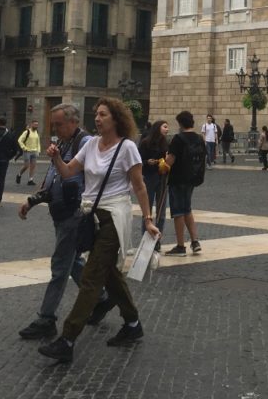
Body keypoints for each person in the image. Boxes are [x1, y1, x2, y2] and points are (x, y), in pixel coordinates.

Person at [37, 98, 160, 363]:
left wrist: (148, 219)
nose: (98, 118)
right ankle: (132, 323)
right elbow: (69, 172)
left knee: (92, 276)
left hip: (113, 217)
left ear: (116, 119)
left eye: (103, 114)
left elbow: (139, 186)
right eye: (96, 114)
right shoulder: (91, 144)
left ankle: (68, 338)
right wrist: (57, 158)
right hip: (90, 216)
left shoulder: (127, 148)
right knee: (109, 274)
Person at [18, 103, 100, 340]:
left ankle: (47, 318)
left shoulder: (84, 143)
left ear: (74, 121)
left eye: (59, 124)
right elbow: (53, 178)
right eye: (53, 124)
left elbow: (75, 175)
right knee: (73, 262)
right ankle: (101, 297)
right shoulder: (64, 142)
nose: (55, 129)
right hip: (60, 210)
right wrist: (34, 200)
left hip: (74, 213)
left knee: (60, 266)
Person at [164, 110, 206, 256]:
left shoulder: (178, 139)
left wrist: (162, 161)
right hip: (192, 179)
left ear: (180, 123)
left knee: (178, 212)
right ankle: (195, 242)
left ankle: (180, 246)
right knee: (187, 209)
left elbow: (170, 161)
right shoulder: (199, 138)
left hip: (177, 179)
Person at [137, 119, 169, 239]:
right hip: (149, 177)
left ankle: (157, 239)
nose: (167, 129)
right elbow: (138, 160)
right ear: (158, 128)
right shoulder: (145, 143)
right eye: (165, 127)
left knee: (161, 210)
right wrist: (147, 162)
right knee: (147, 210)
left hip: (162, 177)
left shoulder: (166, 143)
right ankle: (146, 237)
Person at [16, 120, 41, 186]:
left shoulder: (36, 132)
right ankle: (19, 174)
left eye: (37, 125)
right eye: (35, 124)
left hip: (34, 151)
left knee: (33, 166)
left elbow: (38, 142)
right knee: (26, 166)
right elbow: (20, 140)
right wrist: (24, 148)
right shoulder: (27, 132)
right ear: (31, 124)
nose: (36, 126)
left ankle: (30, 180)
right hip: (27, 151)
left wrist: (38, 150)